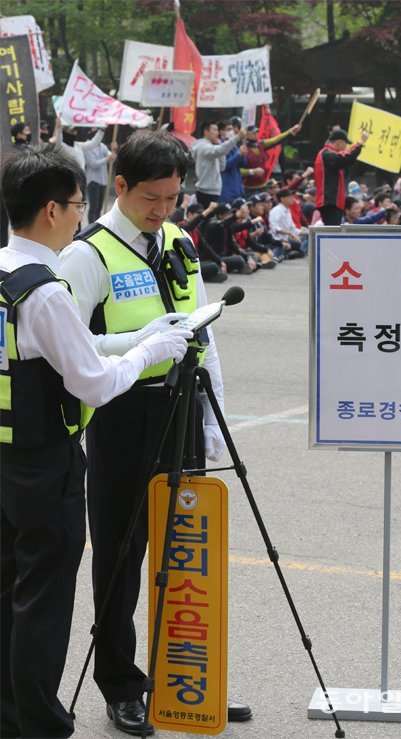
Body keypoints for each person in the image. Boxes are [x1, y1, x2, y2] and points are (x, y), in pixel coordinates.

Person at [59, 130, 252, 735]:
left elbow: (202, 329)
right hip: (121, 413)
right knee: (121, 557)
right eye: (152, 198)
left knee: (187, 550)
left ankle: (186, 682)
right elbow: (69, 348)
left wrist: (215, 412)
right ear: (120, 186)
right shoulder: (87, 255)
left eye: (173, 198)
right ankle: (121, 685)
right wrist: (140, 343)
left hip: (182, 406)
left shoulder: (179, 240)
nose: (163, 209)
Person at [0, 143, 192, 739]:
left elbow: (59, 354)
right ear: (53, 210)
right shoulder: (47, 288)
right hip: (46, 460)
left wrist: (132, 341)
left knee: (9, 594)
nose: (82, 215)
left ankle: (12, 718)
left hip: (7, 453)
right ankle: (40, 723)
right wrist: (150, 349)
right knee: (44, 602)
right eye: (79, 204)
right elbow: (94, 382)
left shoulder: (5, 272)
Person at [314, 128, 369, 225]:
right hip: (329, 202)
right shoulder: (326, 154)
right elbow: (346, 158)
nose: (346, 147)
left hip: (332, 202)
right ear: (339, 142)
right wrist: (359, 143)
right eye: (345, 143)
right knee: (333, 231)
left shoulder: (328, 154)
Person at [192, 120, 246, 208]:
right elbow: (221, 150)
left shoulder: (212, 145)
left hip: (214, 190)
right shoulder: (204, 147)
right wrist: (237, 137)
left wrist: (219, 145)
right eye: (214, 130)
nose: (217, 133)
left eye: (217, 130)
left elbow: (222, 166)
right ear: (206, 132)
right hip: (206, 191)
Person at [242, 122, 301, 197]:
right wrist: (252, 172)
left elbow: (275, 140)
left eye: (256, 132)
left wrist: (290, 131)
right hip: (249, 189)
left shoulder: (260, 144)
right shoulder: (242, 149)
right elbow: (237, 170)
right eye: (253, 133)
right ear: (246, 135)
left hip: (263, 186)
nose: (256, 134)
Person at [84, 129, 118, 222]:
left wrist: (114, 150)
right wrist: (107, 158)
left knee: (99, 207)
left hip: (103, 180)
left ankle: (98, 226)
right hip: (93, 180)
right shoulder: (87, 146)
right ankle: (92, 226)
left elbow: (112, 158)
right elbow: (93, 164)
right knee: (93, 207)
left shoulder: (102, 146)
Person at [268, 188, 307, 258]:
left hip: (286, 240)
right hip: (276, 241)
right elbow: (274, 228)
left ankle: (287, 254)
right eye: (290, 197)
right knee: (280, 249)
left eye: (293, 196)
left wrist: (309, 233)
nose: (293, 199)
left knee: (302, 241)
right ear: (282, 199)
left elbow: (293, 229)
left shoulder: (287, 210)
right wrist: (290, 233)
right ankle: (281, 255)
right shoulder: (276, 210)